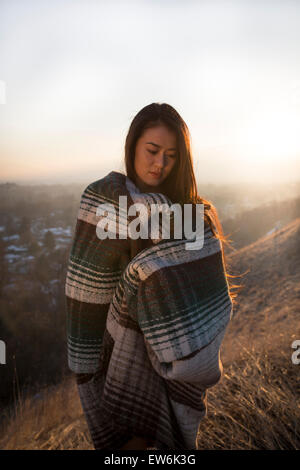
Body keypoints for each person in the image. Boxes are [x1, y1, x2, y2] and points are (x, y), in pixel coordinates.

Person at [65, 103, 239, 450]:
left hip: (173, 360)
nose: (160, 163)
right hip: (116, 359)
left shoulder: (193, 214)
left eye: (171, 156)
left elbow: (209, 296)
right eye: (152, 150)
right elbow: (83, 295)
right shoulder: (104, 202)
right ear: (133, 146)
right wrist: (87, 371)